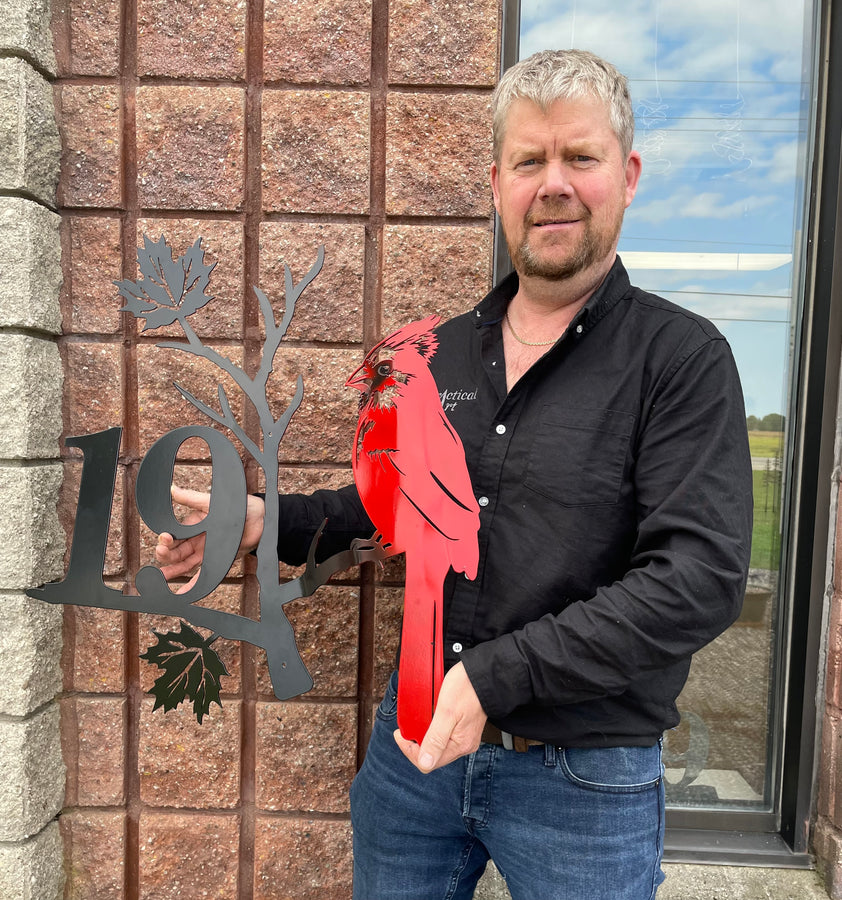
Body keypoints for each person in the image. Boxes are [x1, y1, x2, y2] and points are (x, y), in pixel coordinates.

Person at [157, 49, 753, 900]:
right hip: (413, 763)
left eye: (579, 158)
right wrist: (264, 519)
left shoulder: (682, 360)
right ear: (497, 181)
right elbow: (391, 509)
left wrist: (491, 678)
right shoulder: (435, 355)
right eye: (528, 161)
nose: (553, 184)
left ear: (627, 175)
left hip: (585, 784)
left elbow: (696, 582)